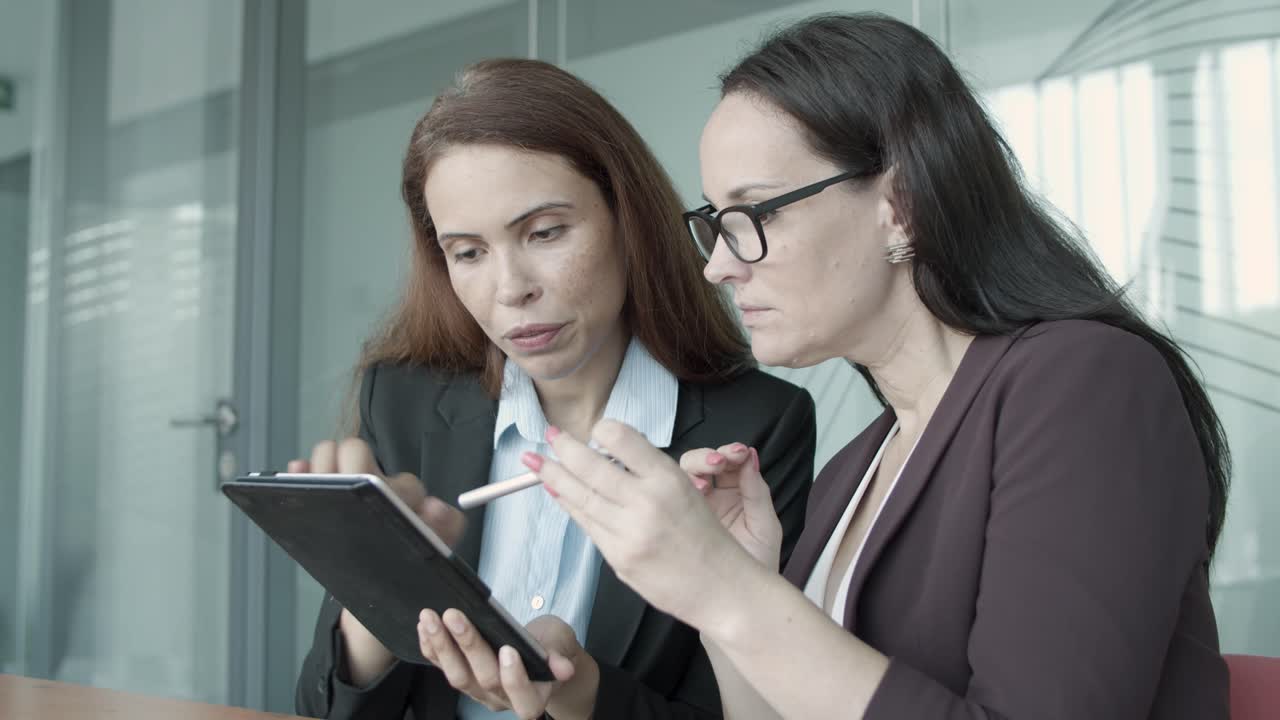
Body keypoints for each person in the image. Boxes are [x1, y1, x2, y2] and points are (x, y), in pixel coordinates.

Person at [525, 13, 1231, 720]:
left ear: (901, 206)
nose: (718, 267)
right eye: (716, 222)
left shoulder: (1084, 383)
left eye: (754, 214)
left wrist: (727, 590)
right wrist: (730, 592)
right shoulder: (851, 474)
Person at [291, 58, 816, 720]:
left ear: (628, 219)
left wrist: (582, 693)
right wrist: (376, 603)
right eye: (468, 253)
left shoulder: (757, 427)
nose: (511, 289)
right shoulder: (402, 401)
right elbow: (320, 710)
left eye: (544, 233)